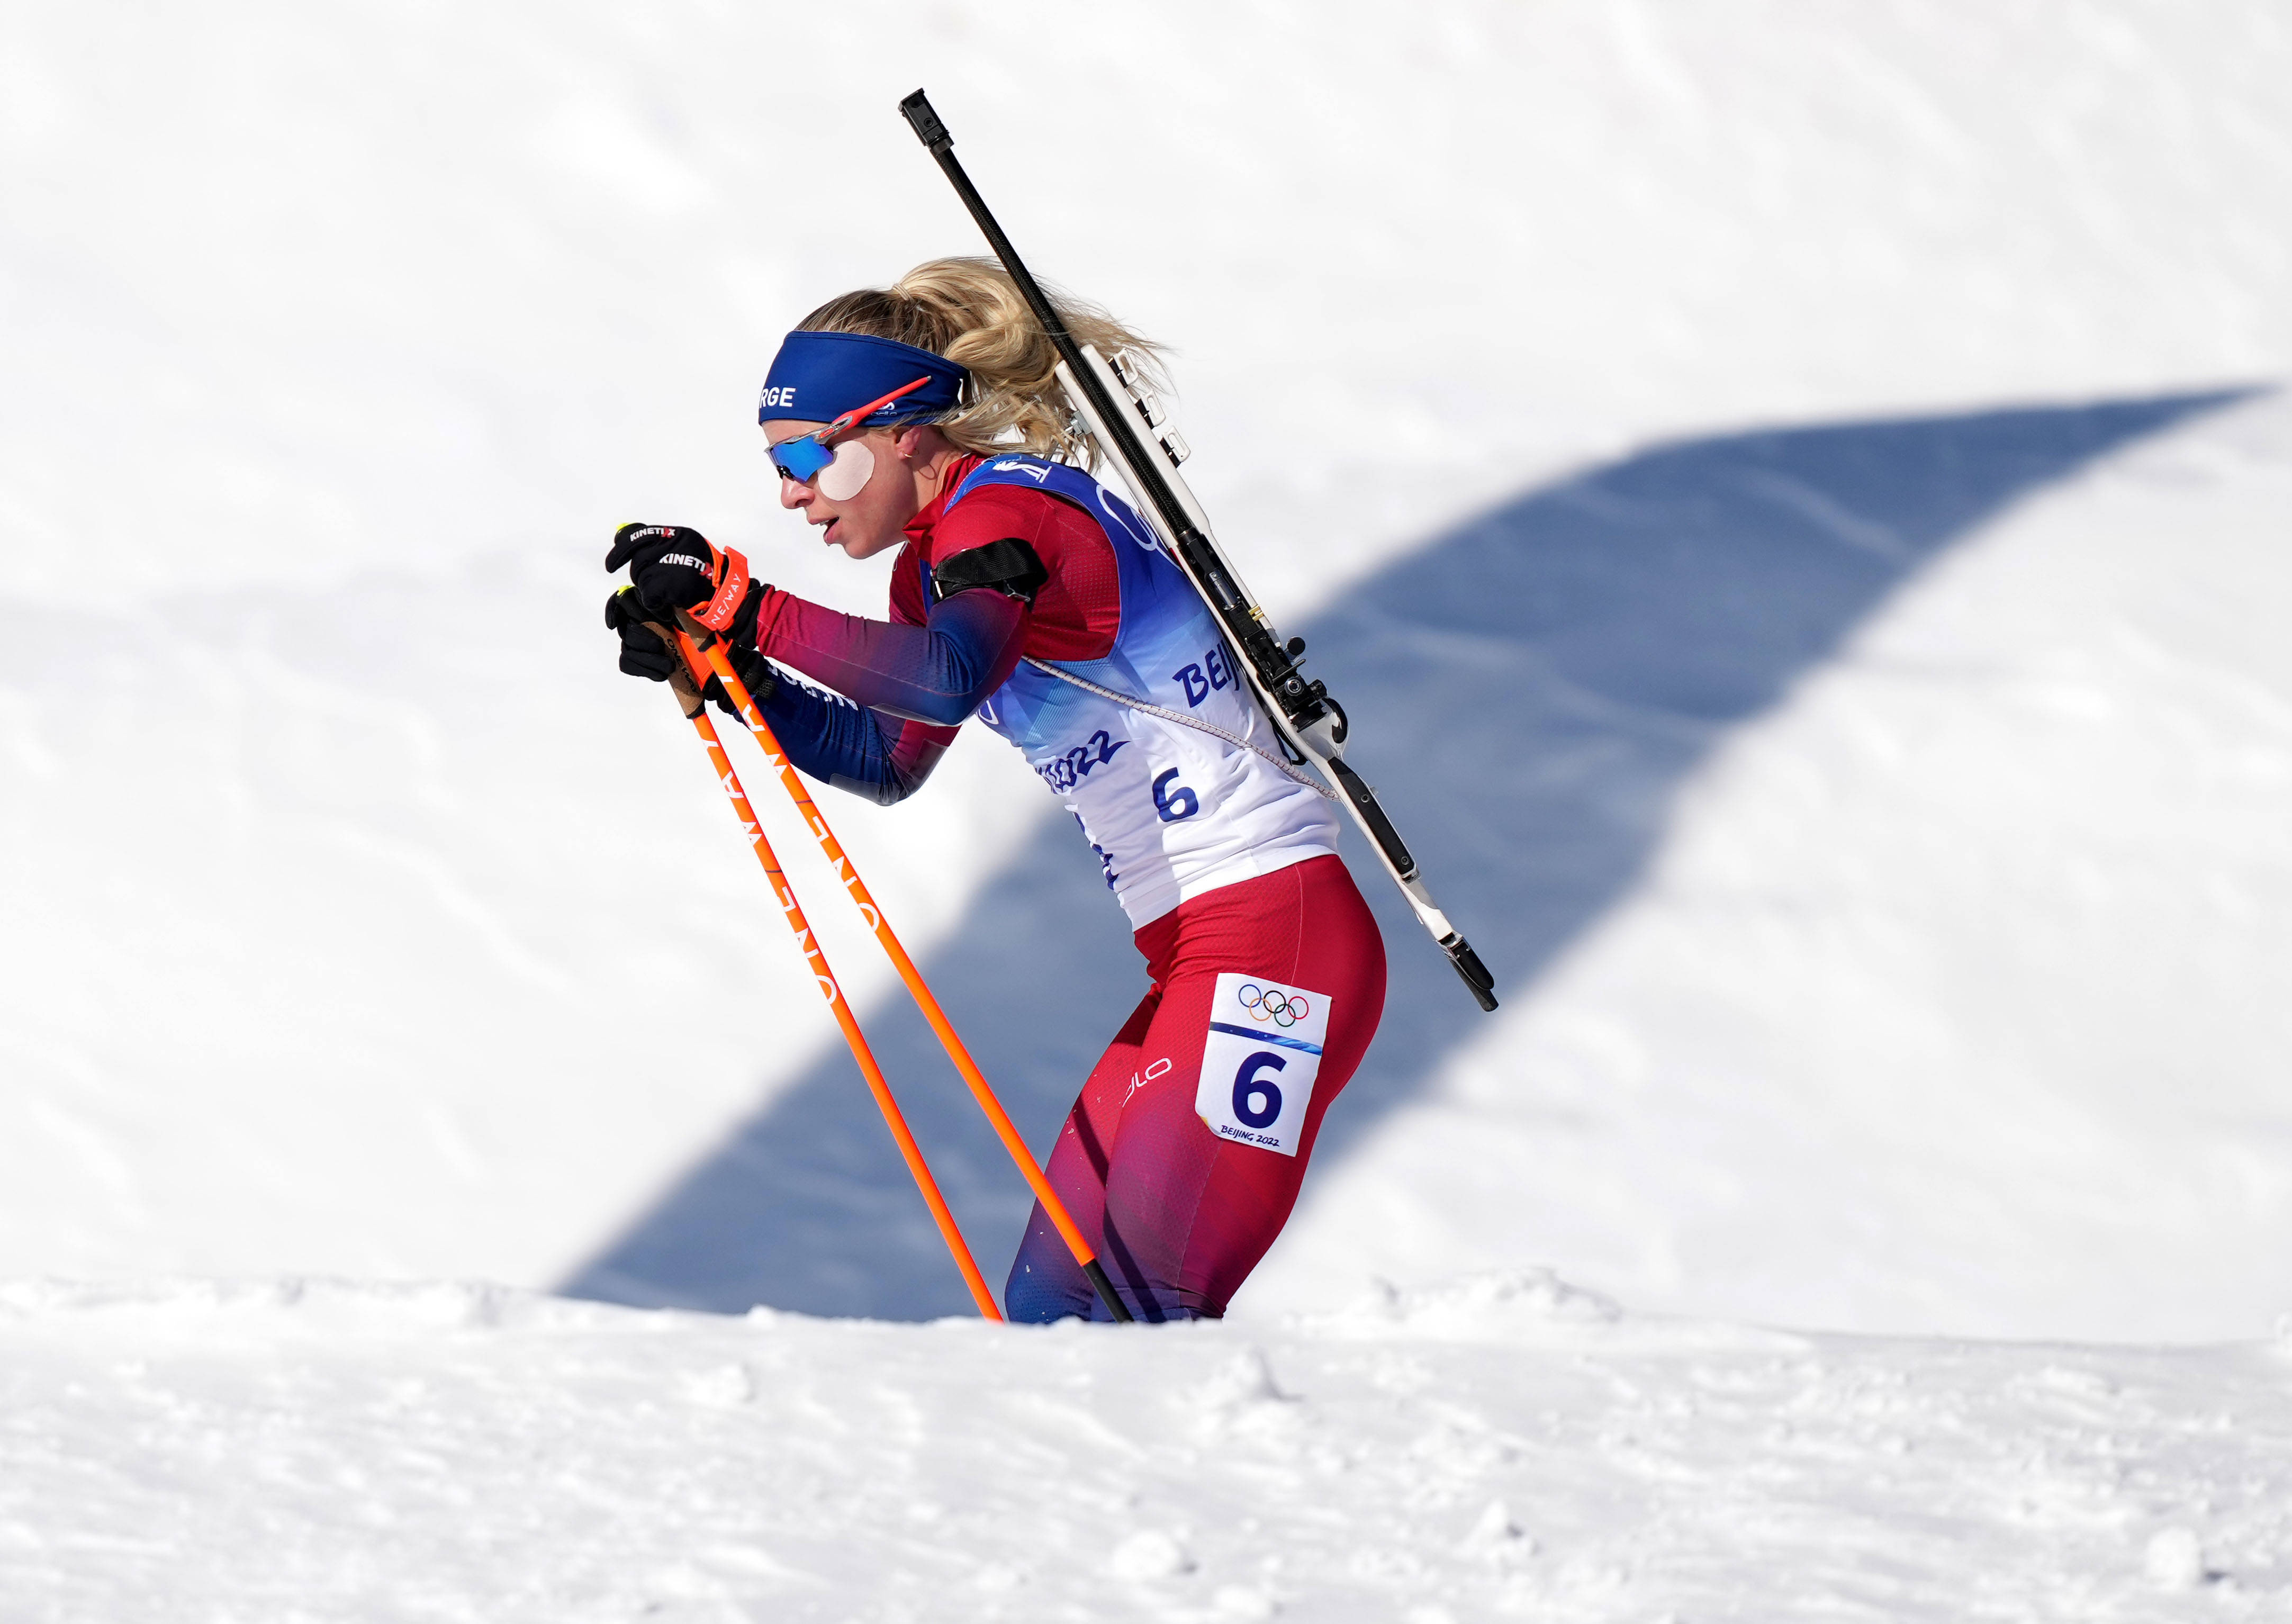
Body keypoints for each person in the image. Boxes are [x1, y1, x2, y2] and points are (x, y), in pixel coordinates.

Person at [605, 258, 1386, 1322]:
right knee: (1048, 1322)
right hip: (1198, 958)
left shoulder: (1009, 515)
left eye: (803, 456)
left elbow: (943, 676)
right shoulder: (930, 562)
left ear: (906, 434)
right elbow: (888, 757)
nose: (789, 491)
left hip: (1273, 937)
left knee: (1143, 1313)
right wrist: (735, 678)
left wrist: (745, 606)